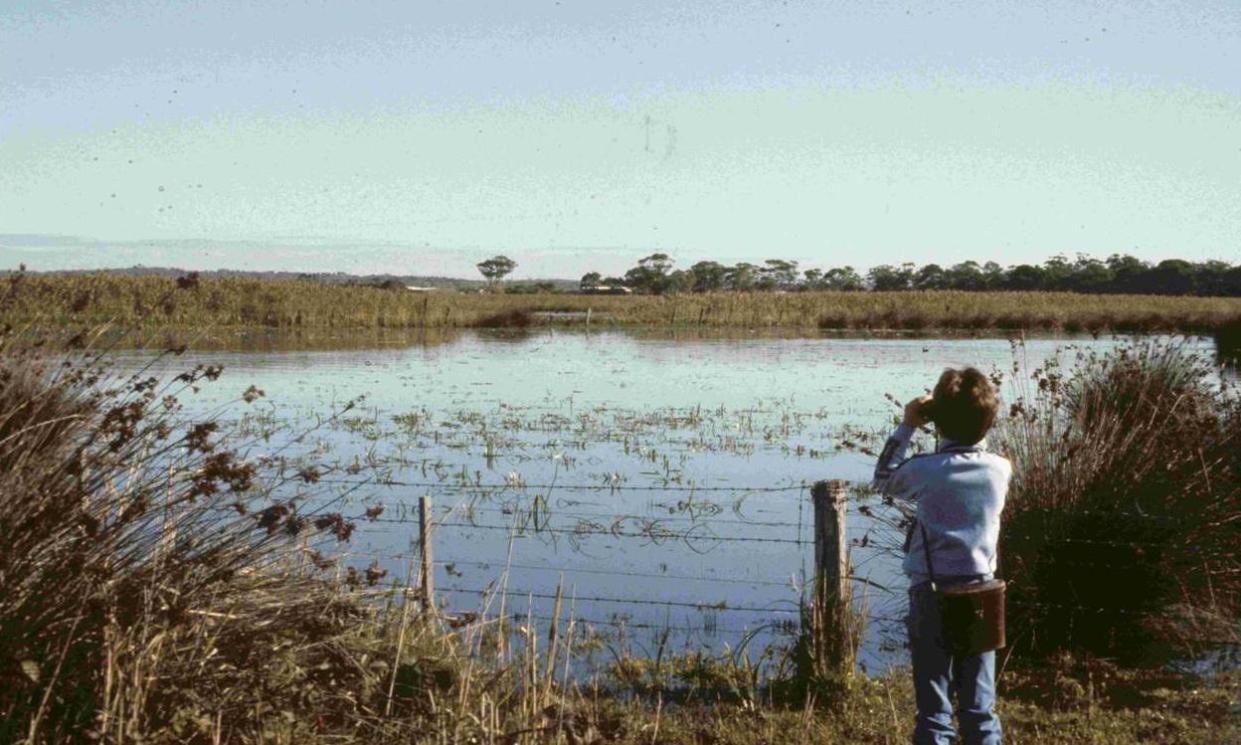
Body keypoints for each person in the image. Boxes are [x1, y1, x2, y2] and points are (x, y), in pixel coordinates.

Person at [873, 367, 1010, 745]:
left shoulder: (926, 471)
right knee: (980, 709)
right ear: (988, 421)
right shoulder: (1001, 470)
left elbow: (883, 477)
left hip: (931, 595)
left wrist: (908, 425)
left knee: (934, 712)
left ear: (937, 420)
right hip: (983, 596)